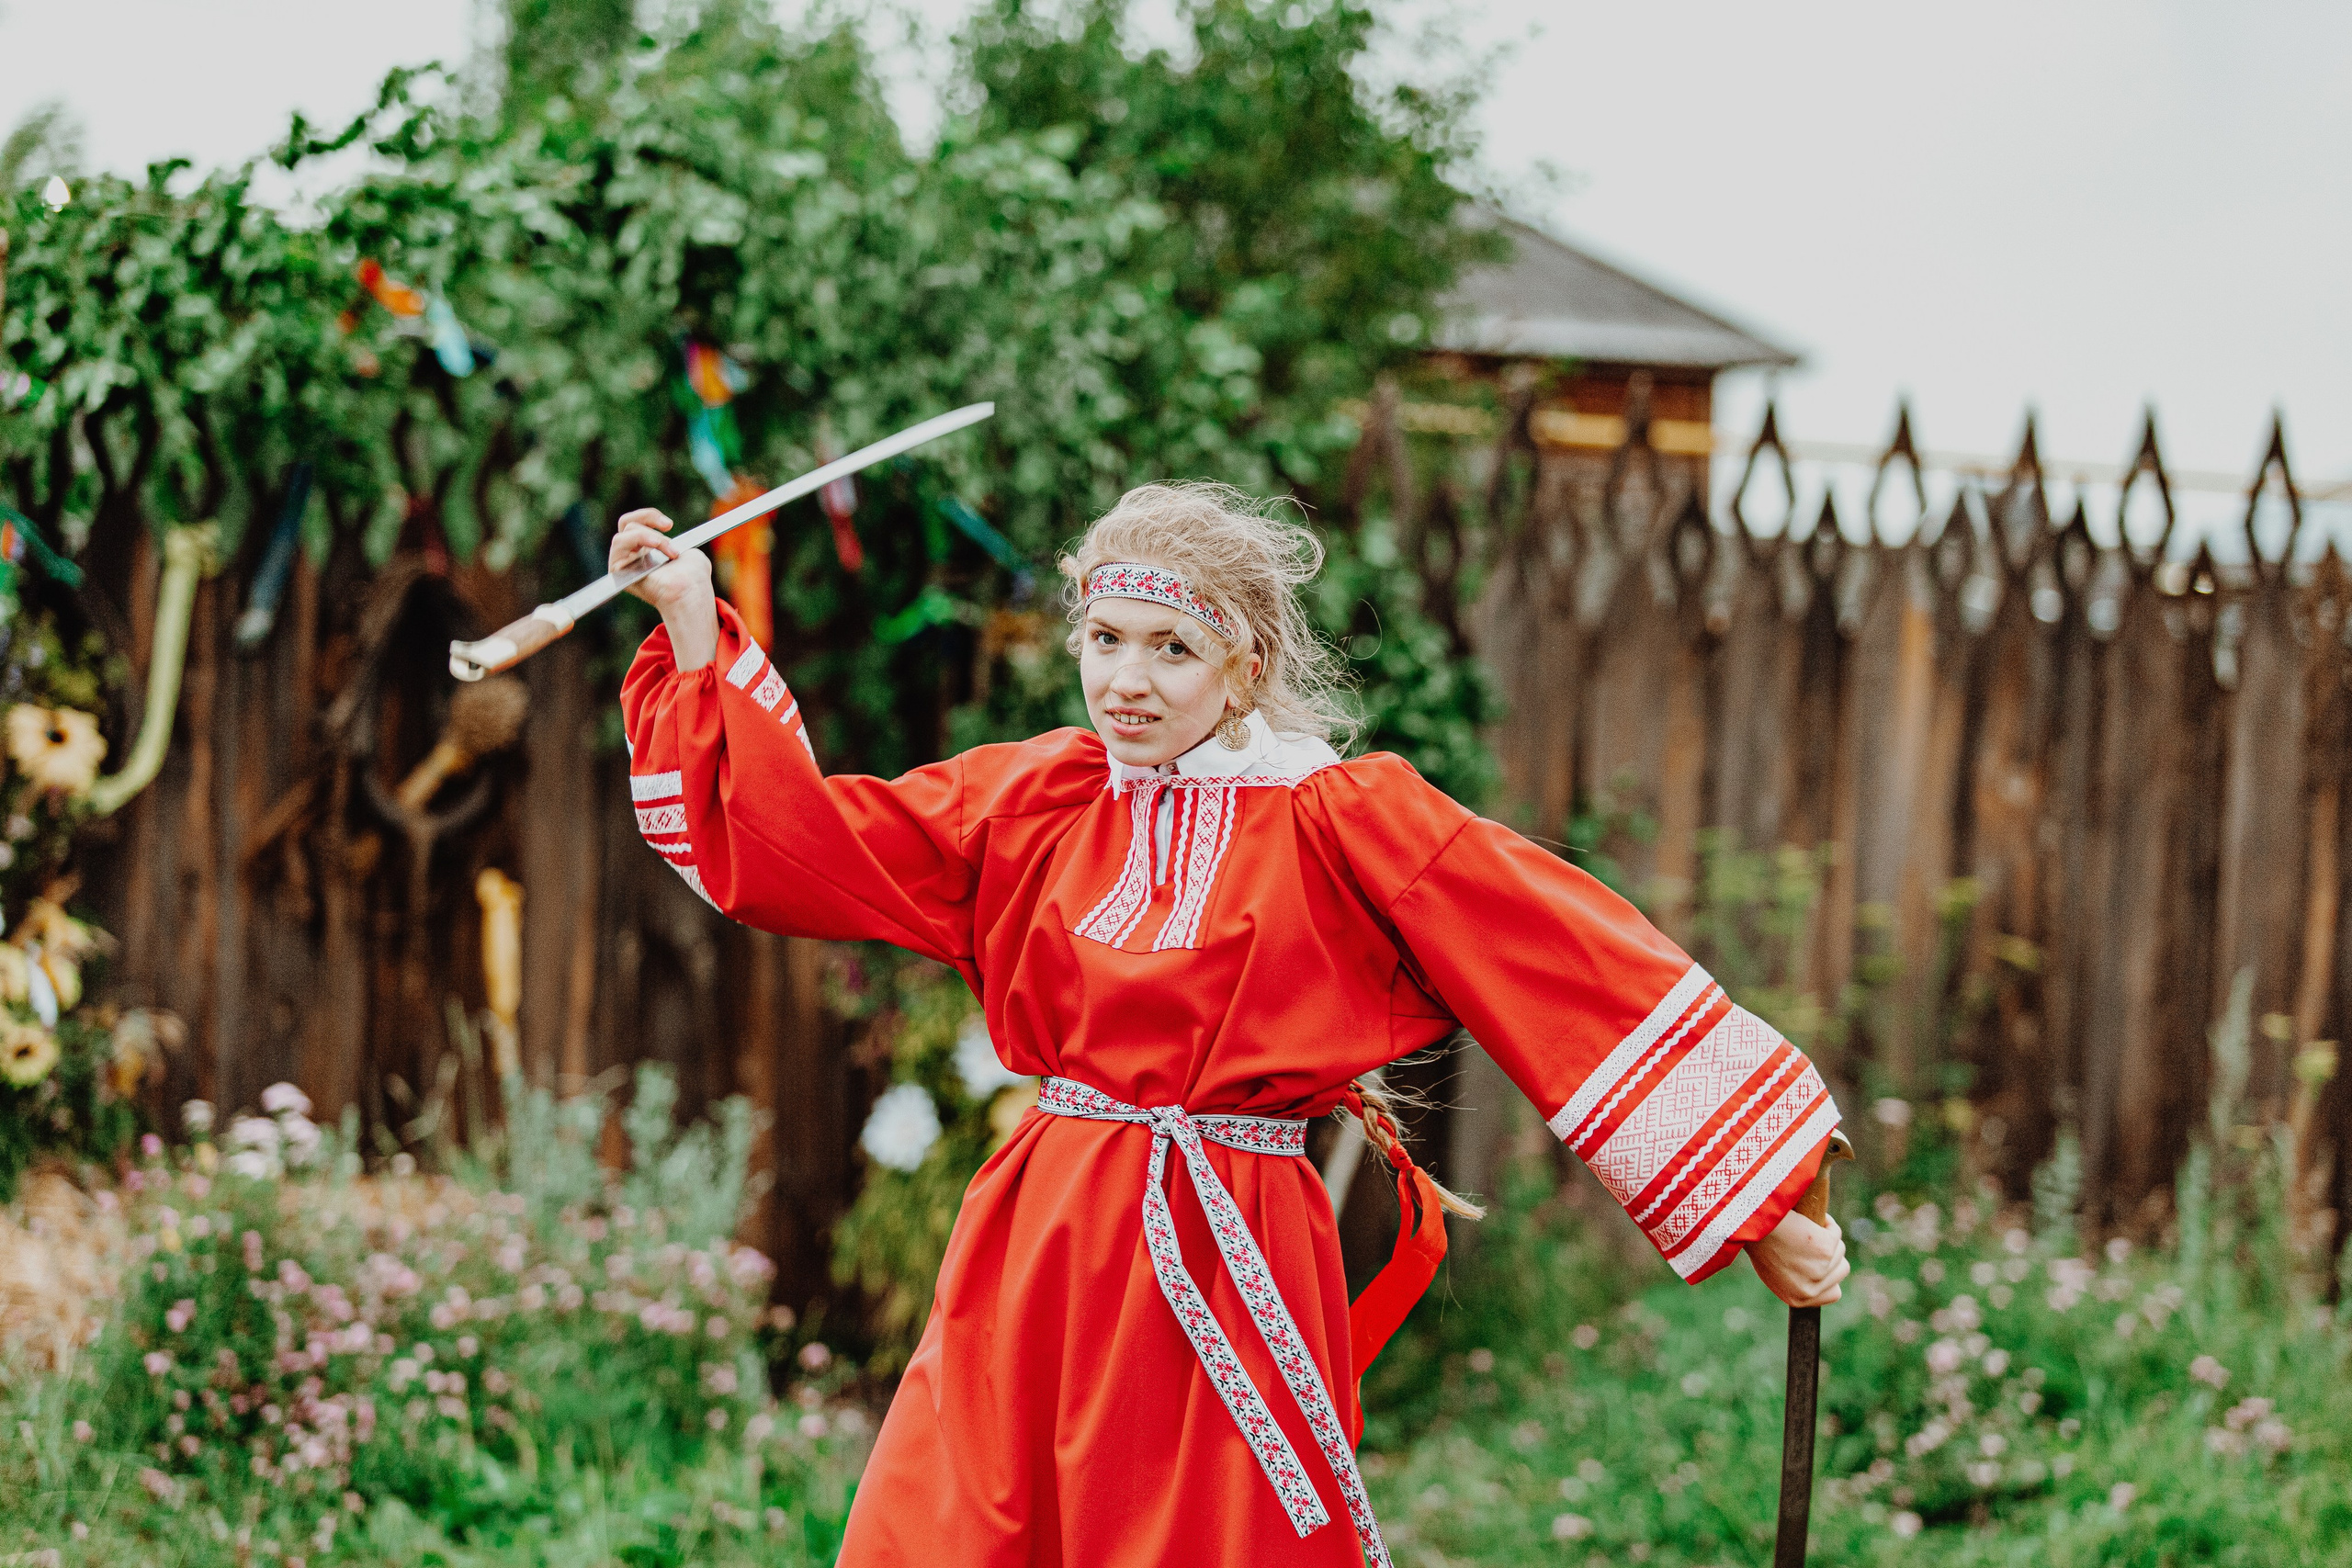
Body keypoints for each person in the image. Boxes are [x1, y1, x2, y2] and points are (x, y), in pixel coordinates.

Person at [611, 481, 1849, 1568]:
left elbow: (1556, 960)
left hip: (1224, 1234)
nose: (1126, 680)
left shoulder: (1338, 815)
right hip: (1039, 1230)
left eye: (1171, 649)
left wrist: (1767, 1206)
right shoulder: (1036, 799)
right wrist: (687, 622)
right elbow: (806, 845)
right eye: (1103, 638)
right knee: (973, 1515)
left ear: (1244, 669)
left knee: (1196, 1530)